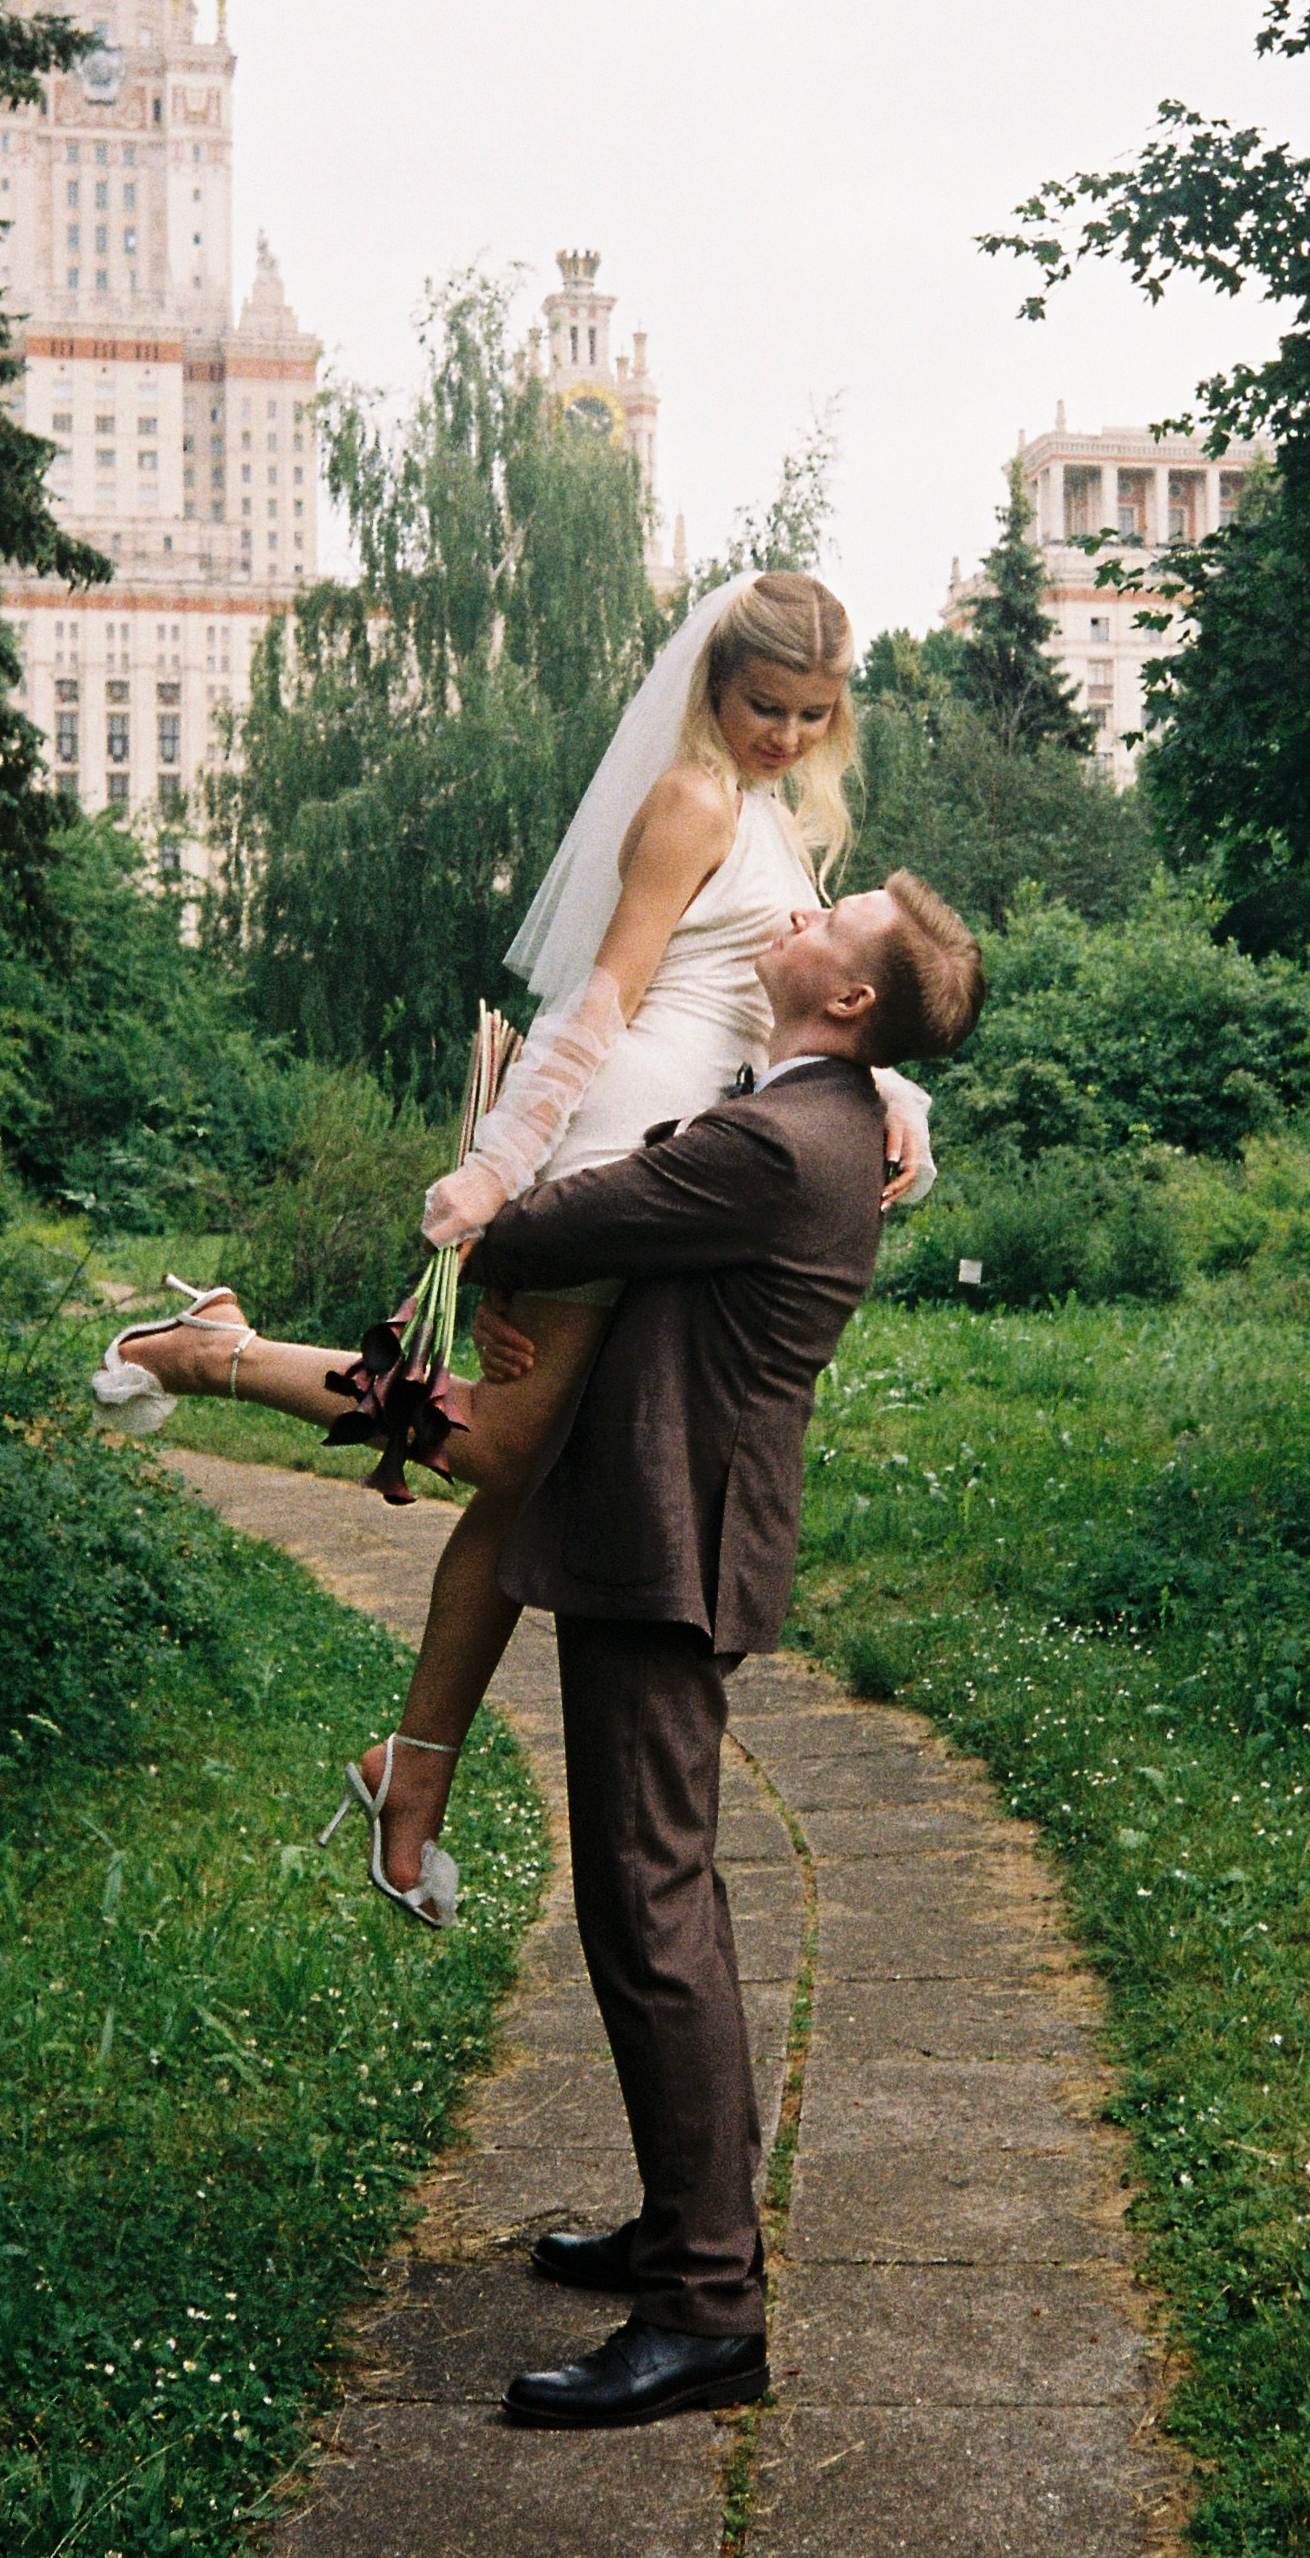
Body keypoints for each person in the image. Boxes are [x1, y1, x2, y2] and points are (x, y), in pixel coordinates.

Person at [93, 573, 939, 1919]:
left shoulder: (775, 813)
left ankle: (411, 1776)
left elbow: (774, 1010)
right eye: (761, 703)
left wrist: (891, 1098)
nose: (781, 730)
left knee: (520, 1480)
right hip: (609, 1148)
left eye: (809, 712)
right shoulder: (694, 797)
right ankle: (218, 1352)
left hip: (674, 1161)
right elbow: (606, 989)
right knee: (494, 1443)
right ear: (713, 682)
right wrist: (502, 1163)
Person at [476, 867, 986, 2426]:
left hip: (666, 1545)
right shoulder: (809, 1114)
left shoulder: (776, 1139)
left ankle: (706, 2307)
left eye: (834, 916)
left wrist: (502, 1126)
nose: (800, 907)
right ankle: (676, 2224)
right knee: (659, 1900)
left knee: (652, 1910)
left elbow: (537, 1225)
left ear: (848, 1000)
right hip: (672, 1533)